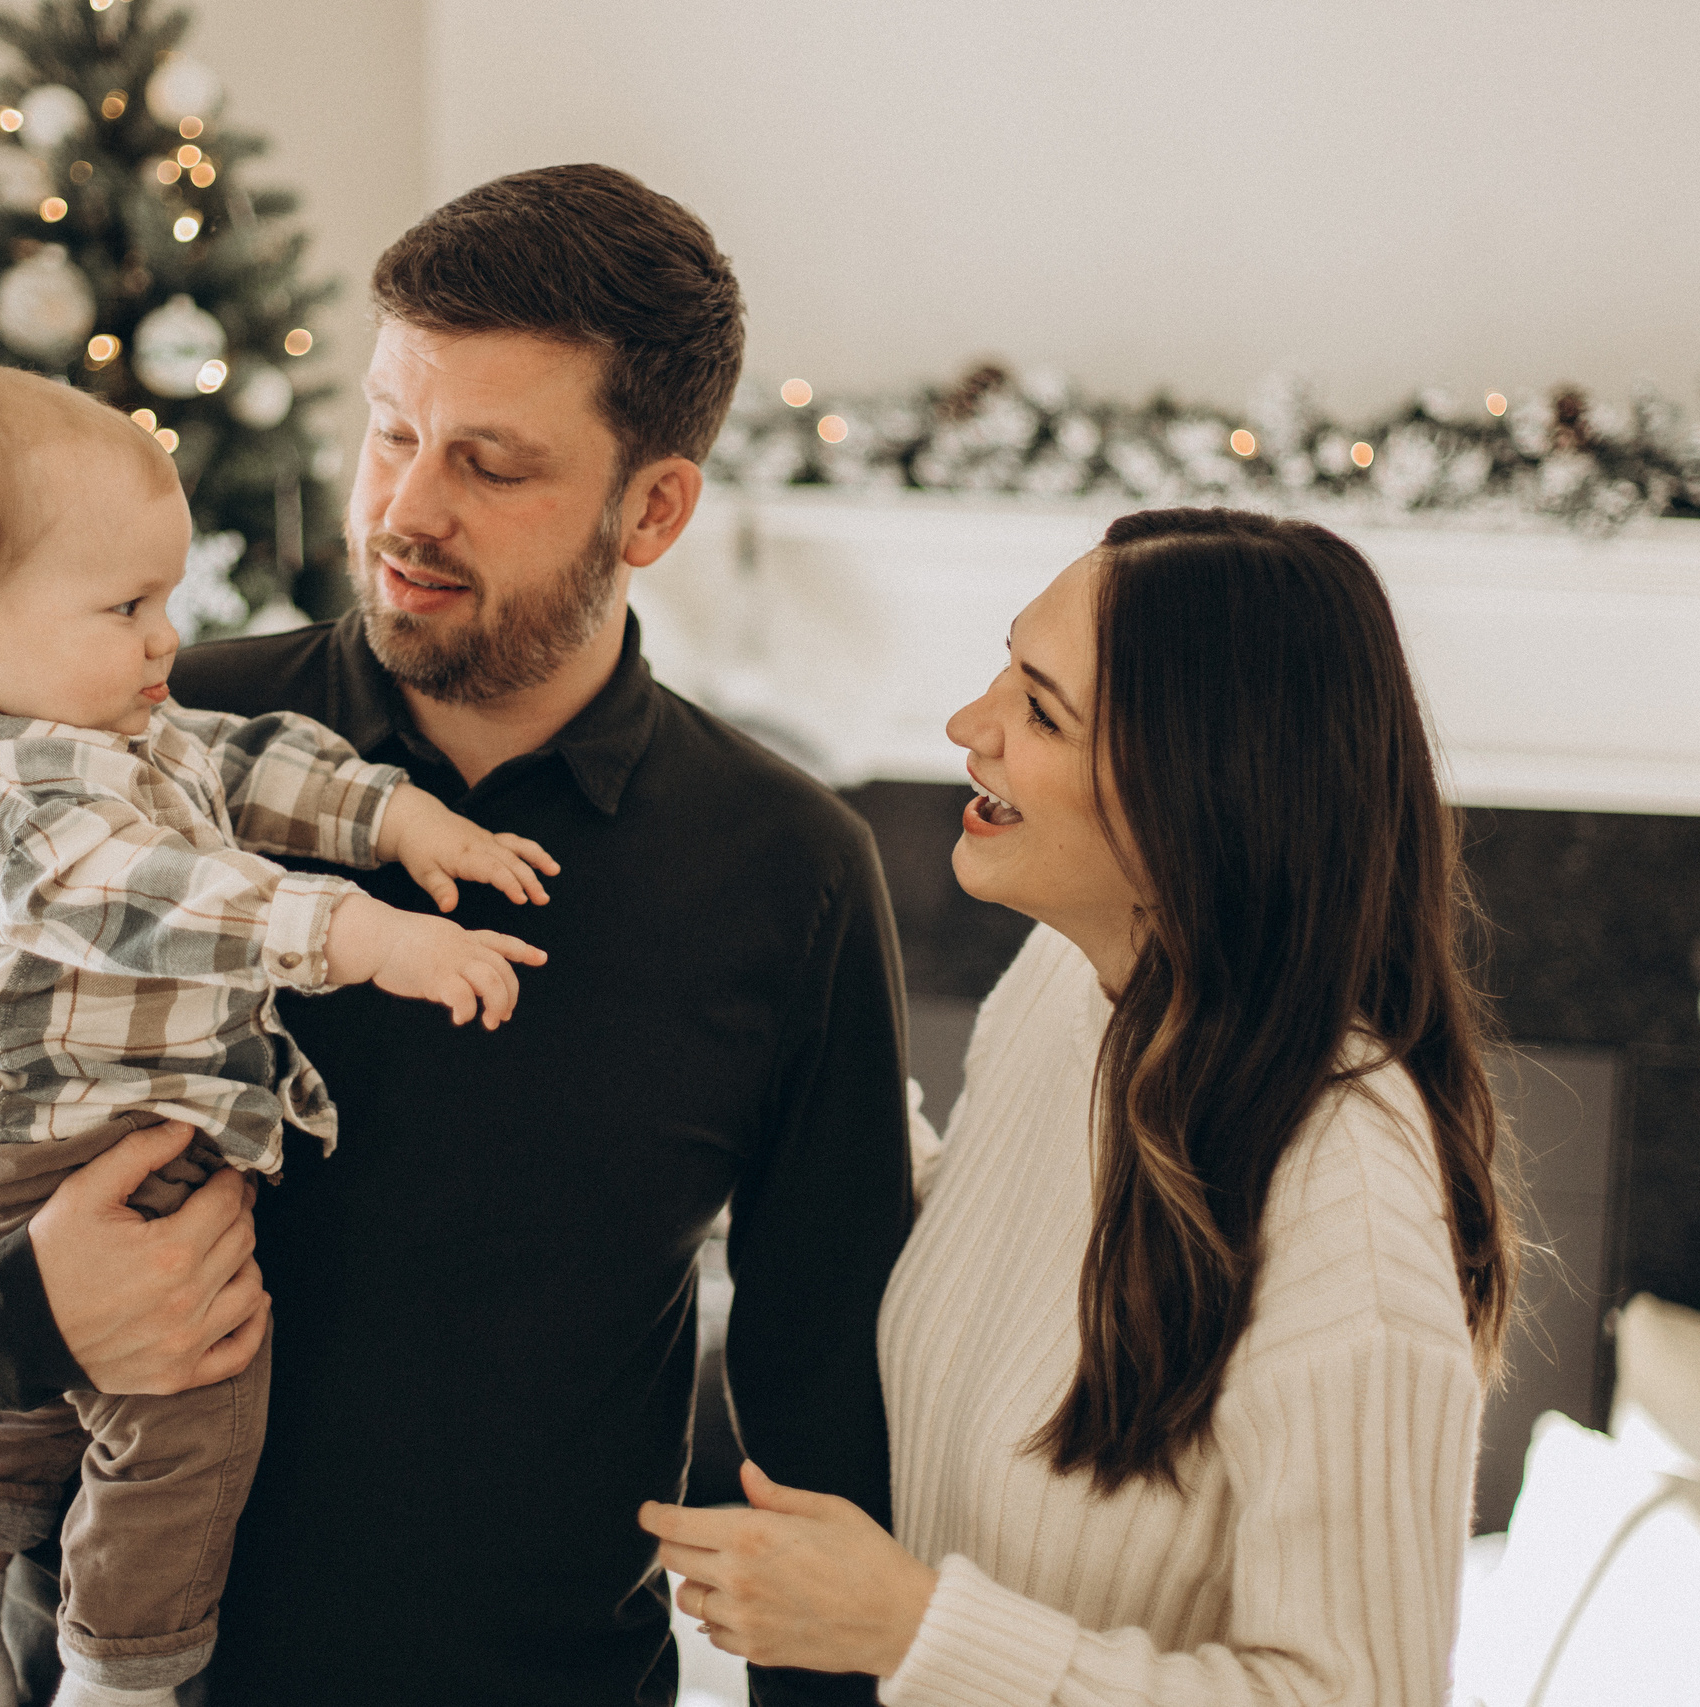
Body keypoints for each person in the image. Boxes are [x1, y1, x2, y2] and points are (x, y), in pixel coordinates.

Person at [0, 163, 911, 1707]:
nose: (403, 508)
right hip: (107, 1673)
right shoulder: (154, 733)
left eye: (491, 465)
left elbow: (822, 1381)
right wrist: (7, 1311)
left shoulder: (792, 870)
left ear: (652, 506)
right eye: (389, 431)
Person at [641, 508, 1516, 1706]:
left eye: (1040, 711)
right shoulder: (1076, 984)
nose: (968, 727)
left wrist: (910, 1629)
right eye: (1007, 665)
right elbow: (1000, 1260)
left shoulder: (1344, 1210)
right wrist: (775, 1057)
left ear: (1194, 798)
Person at [0, 362, 557, 1707]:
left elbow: (232, 765)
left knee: (58, 1366)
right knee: (189, 1400)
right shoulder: (20, 796)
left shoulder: (93, 716)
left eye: (165, 598)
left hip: (40, 1124)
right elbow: (171, 895)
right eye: (127, 606)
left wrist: (400, 819)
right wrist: (376, 934)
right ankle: (121, 1673)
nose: (167, 639)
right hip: (38, 1131)